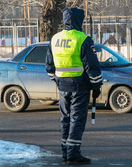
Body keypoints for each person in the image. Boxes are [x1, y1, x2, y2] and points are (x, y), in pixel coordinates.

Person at [45, 8, 102, 165]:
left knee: (65, 119)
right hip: (79, 87)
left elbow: (49, 67)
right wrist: (96, 85)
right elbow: (92, 66)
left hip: (62, 86)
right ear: (79, 21)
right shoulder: (83, 39)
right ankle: (73, 154)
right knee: (77, 120)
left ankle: (65, 151)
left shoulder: (55, 38)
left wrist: (57, 81)